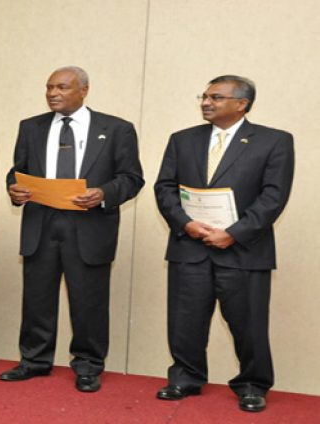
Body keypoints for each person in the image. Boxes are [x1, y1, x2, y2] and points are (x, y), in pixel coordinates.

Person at [153, 75, 294, 412]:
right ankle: (185, 378)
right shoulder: (182, 140)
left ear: (241, 103)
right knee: (185, 320)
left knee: (249, 324)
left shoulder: (274, 141)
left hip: (244, 250)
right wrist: (186, 224)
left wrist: (234, 232)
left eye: (216, 97)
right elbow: (165, 188)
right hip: (190, 247)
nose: (206, 102)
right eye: (204, 96)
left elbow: (273, 197)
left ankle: (252, 385)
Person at [0, 66, 144, 392]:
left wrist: (104, 193)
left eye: (62, 87)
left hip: (90, 226)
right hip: (41, 224)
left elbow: (132, 178)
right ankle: (34, 360)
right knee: (36, 299)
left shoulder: (116, 129)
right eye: (49, 87)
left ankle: (89, 365)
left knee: (89, 302)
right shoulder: (31, 127)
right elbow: (17, 171)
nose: (53, 93)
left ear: (84, 90)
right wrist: (14, 188)